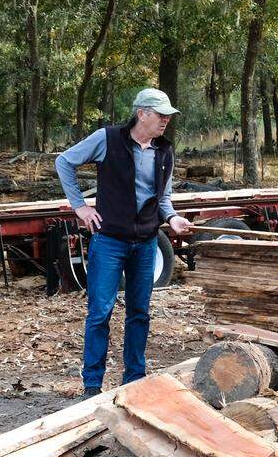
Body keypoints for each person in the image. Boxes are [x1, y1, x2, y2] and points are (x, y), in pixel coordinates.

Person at [55, 88, 193, 398]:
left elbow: (164, 197)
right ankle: (92, 386)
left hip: (145, 241)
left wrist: (172, 219)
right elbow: (64, 162)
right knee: (100, 312)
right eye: (161, 115)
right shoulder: (107, 139)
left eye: (169, 116)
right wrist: (80, 206)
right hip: (109, 241)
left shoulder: (164, 150)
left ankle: (134, 380)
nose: (166, 120)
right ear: (142, 113)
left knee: (139, 313)